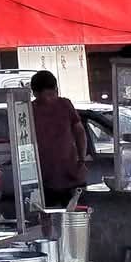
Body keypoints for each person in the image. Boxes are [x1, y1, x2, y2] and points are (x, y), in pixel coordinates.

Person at [29, 70, 90, 207]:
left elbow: (80, 132)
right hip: (44, 178)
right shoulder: (30, 110)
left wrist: (82, 159)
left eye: (53, 94)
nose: (51, 99)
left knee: (76, 213)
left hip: (71, 174)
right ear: (35, 94)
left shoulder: (65, 105)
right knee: (45, 215)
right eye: (47, 95)